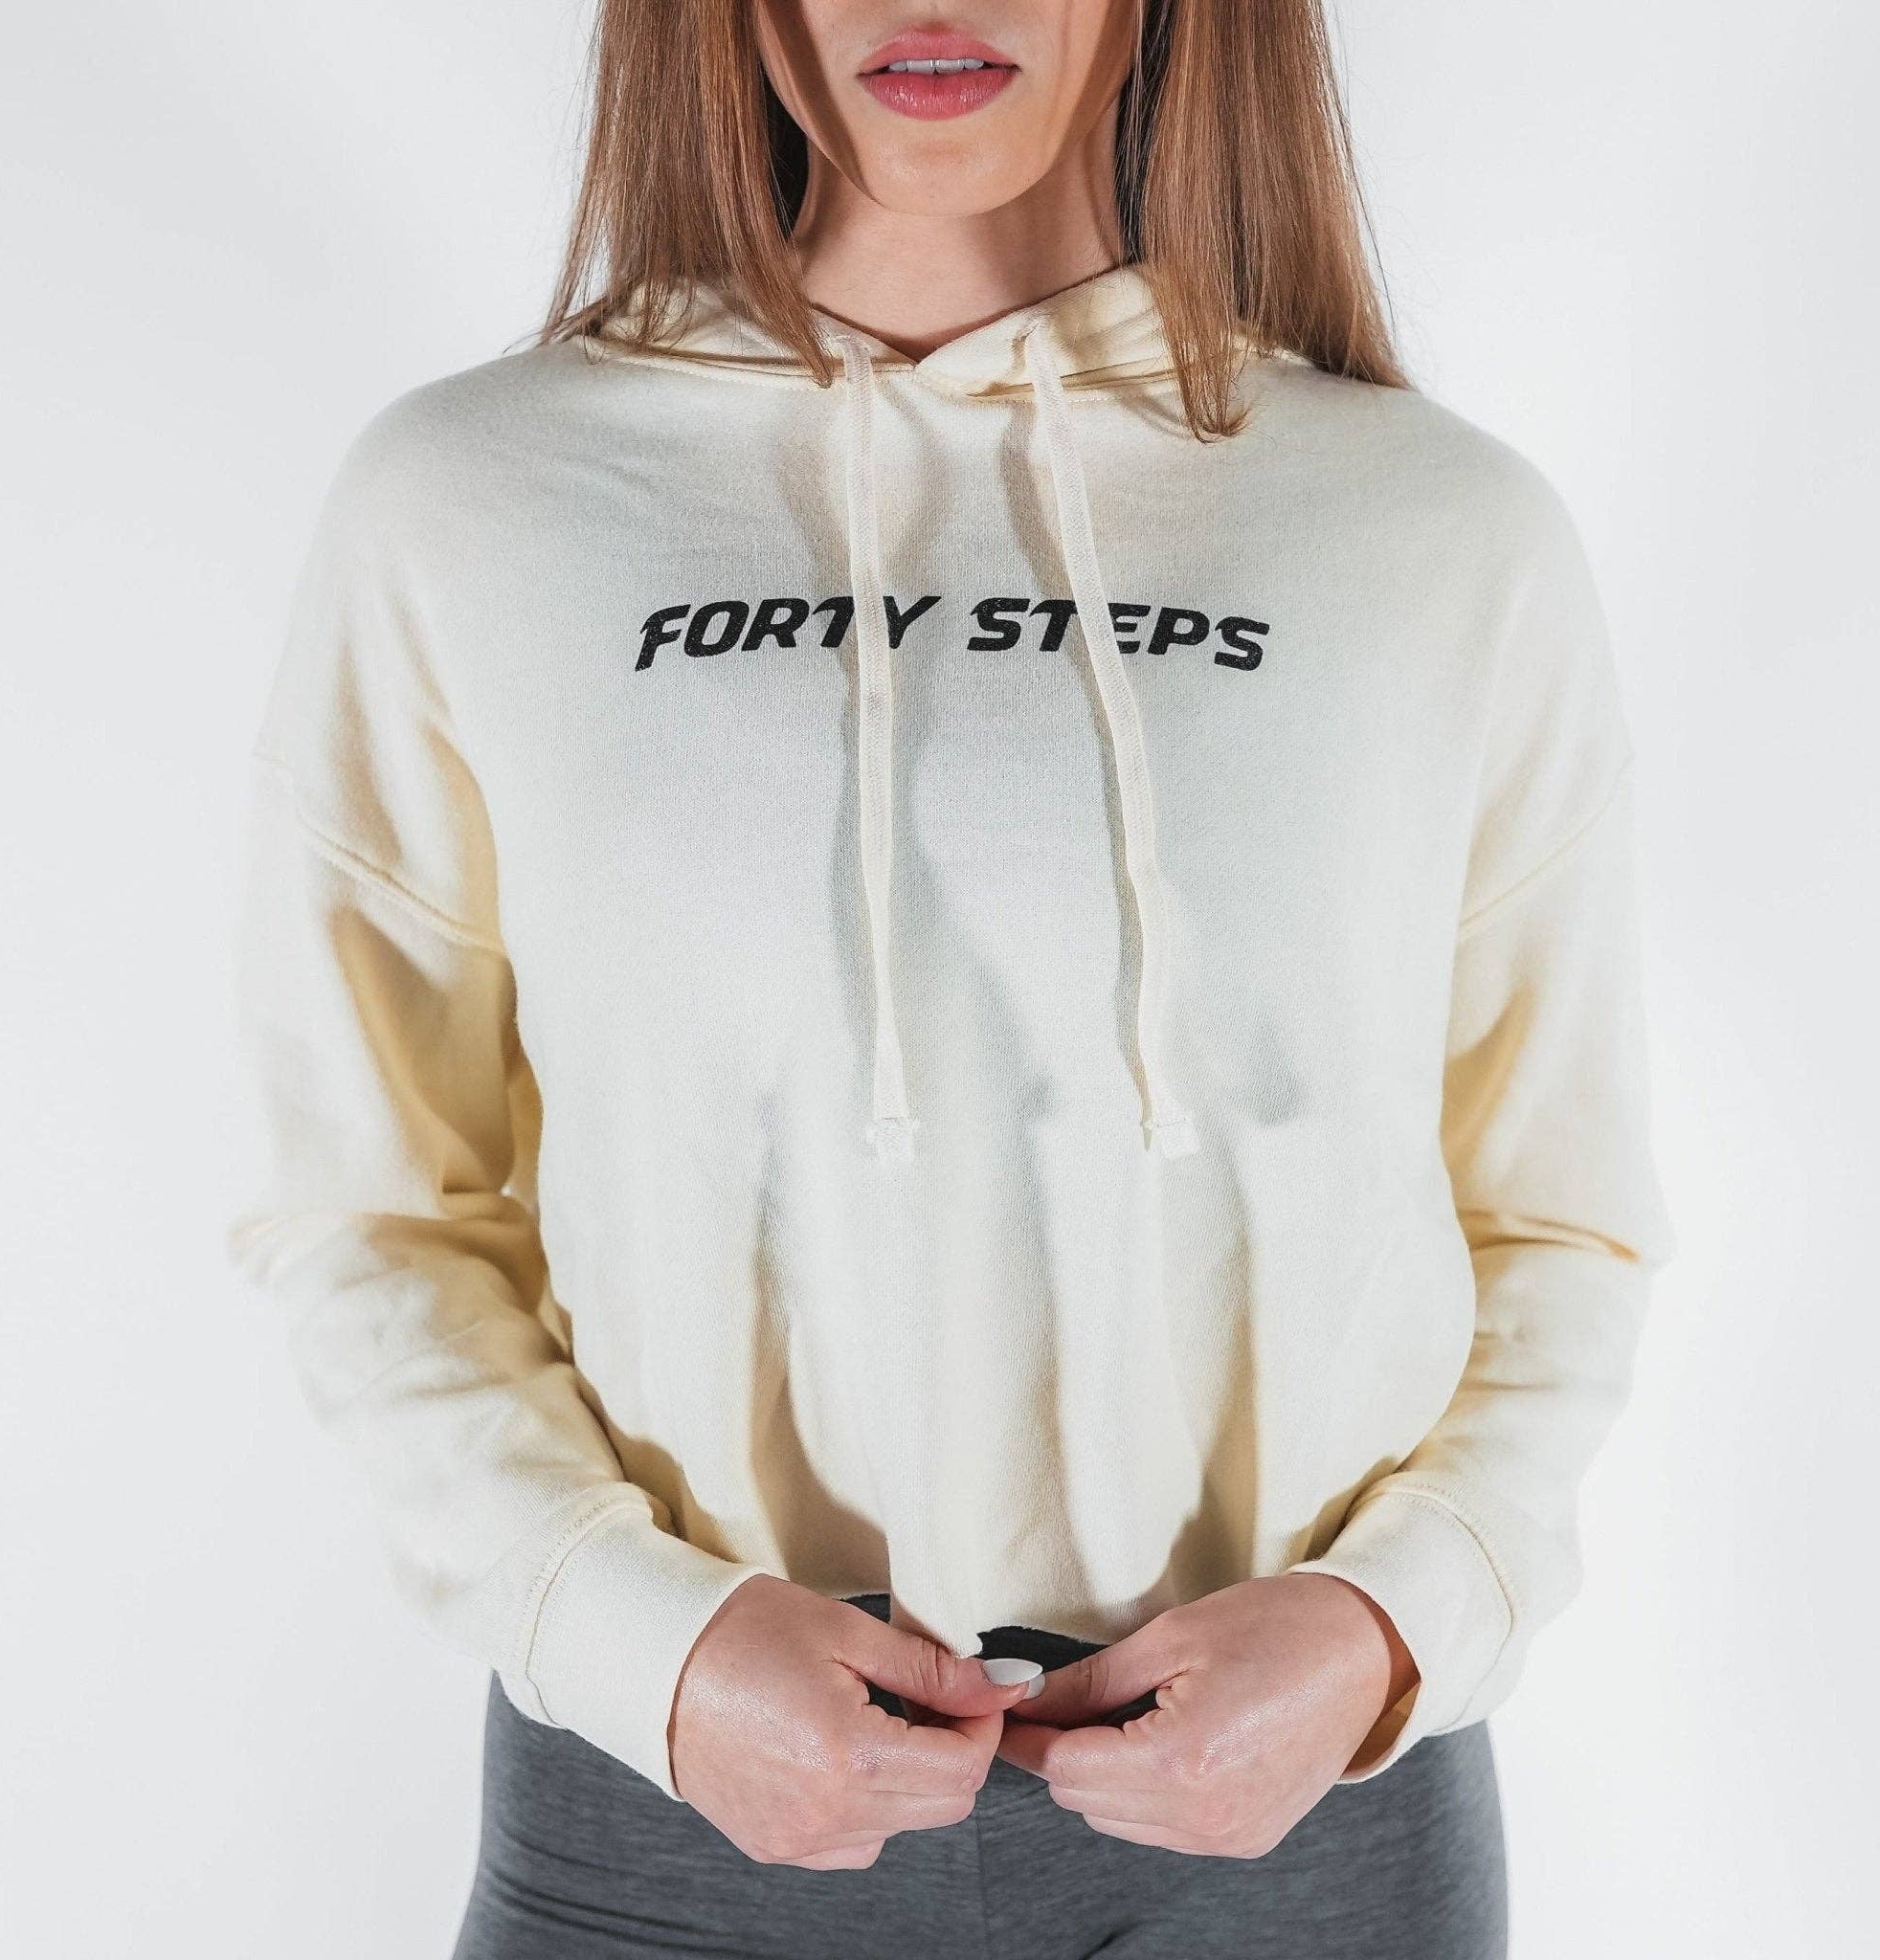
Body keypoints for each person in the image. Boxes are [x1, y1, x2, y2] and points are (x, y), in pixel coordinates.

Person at [226, 3, 1675, 1954]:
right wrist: (643, 1642)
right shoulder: (471, 503)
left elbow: (1560, 1222)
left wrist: (1386, 1625)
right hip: (666, 1812)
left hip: (1301, 1826)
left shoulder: (1440, 531)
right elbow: (370, 1210)